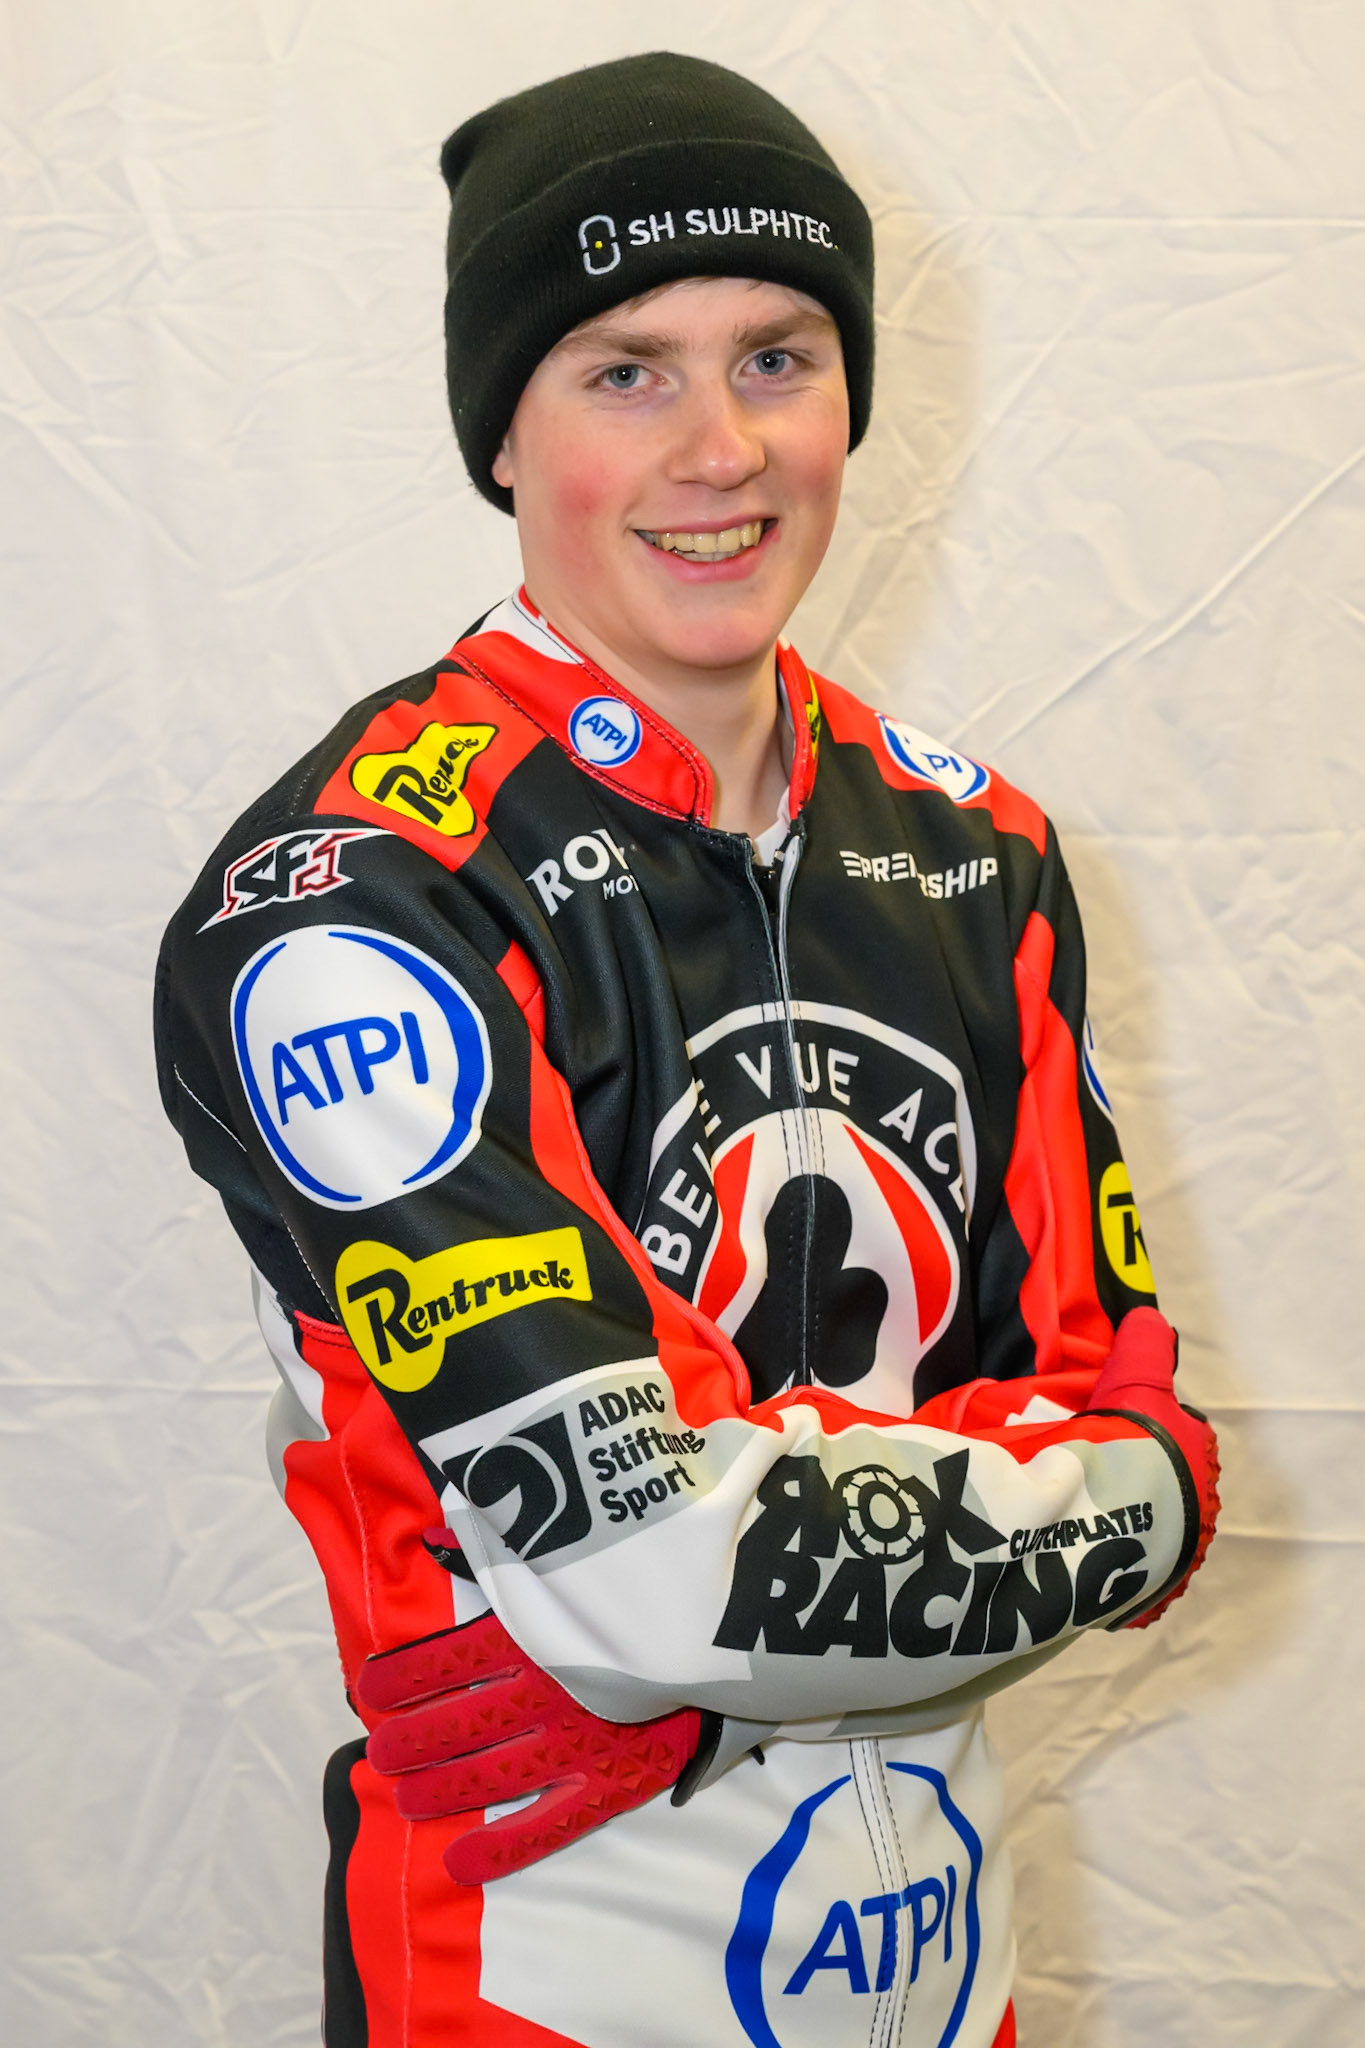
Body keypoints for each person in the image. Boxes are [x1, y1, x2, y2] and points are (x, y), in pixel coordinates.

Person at [155, 51, 1219, 2048]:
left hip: (942, 1956)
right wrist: (1018, 1506)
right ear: (499, 432)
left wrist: (757, 1570)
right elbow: (650, 1571)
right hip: (543, 1978)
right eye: (623, 369)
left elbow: (1146, 1448)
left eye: (780, 355)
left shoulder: (975, 852)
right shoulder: (354, 896)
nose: (719, 446)